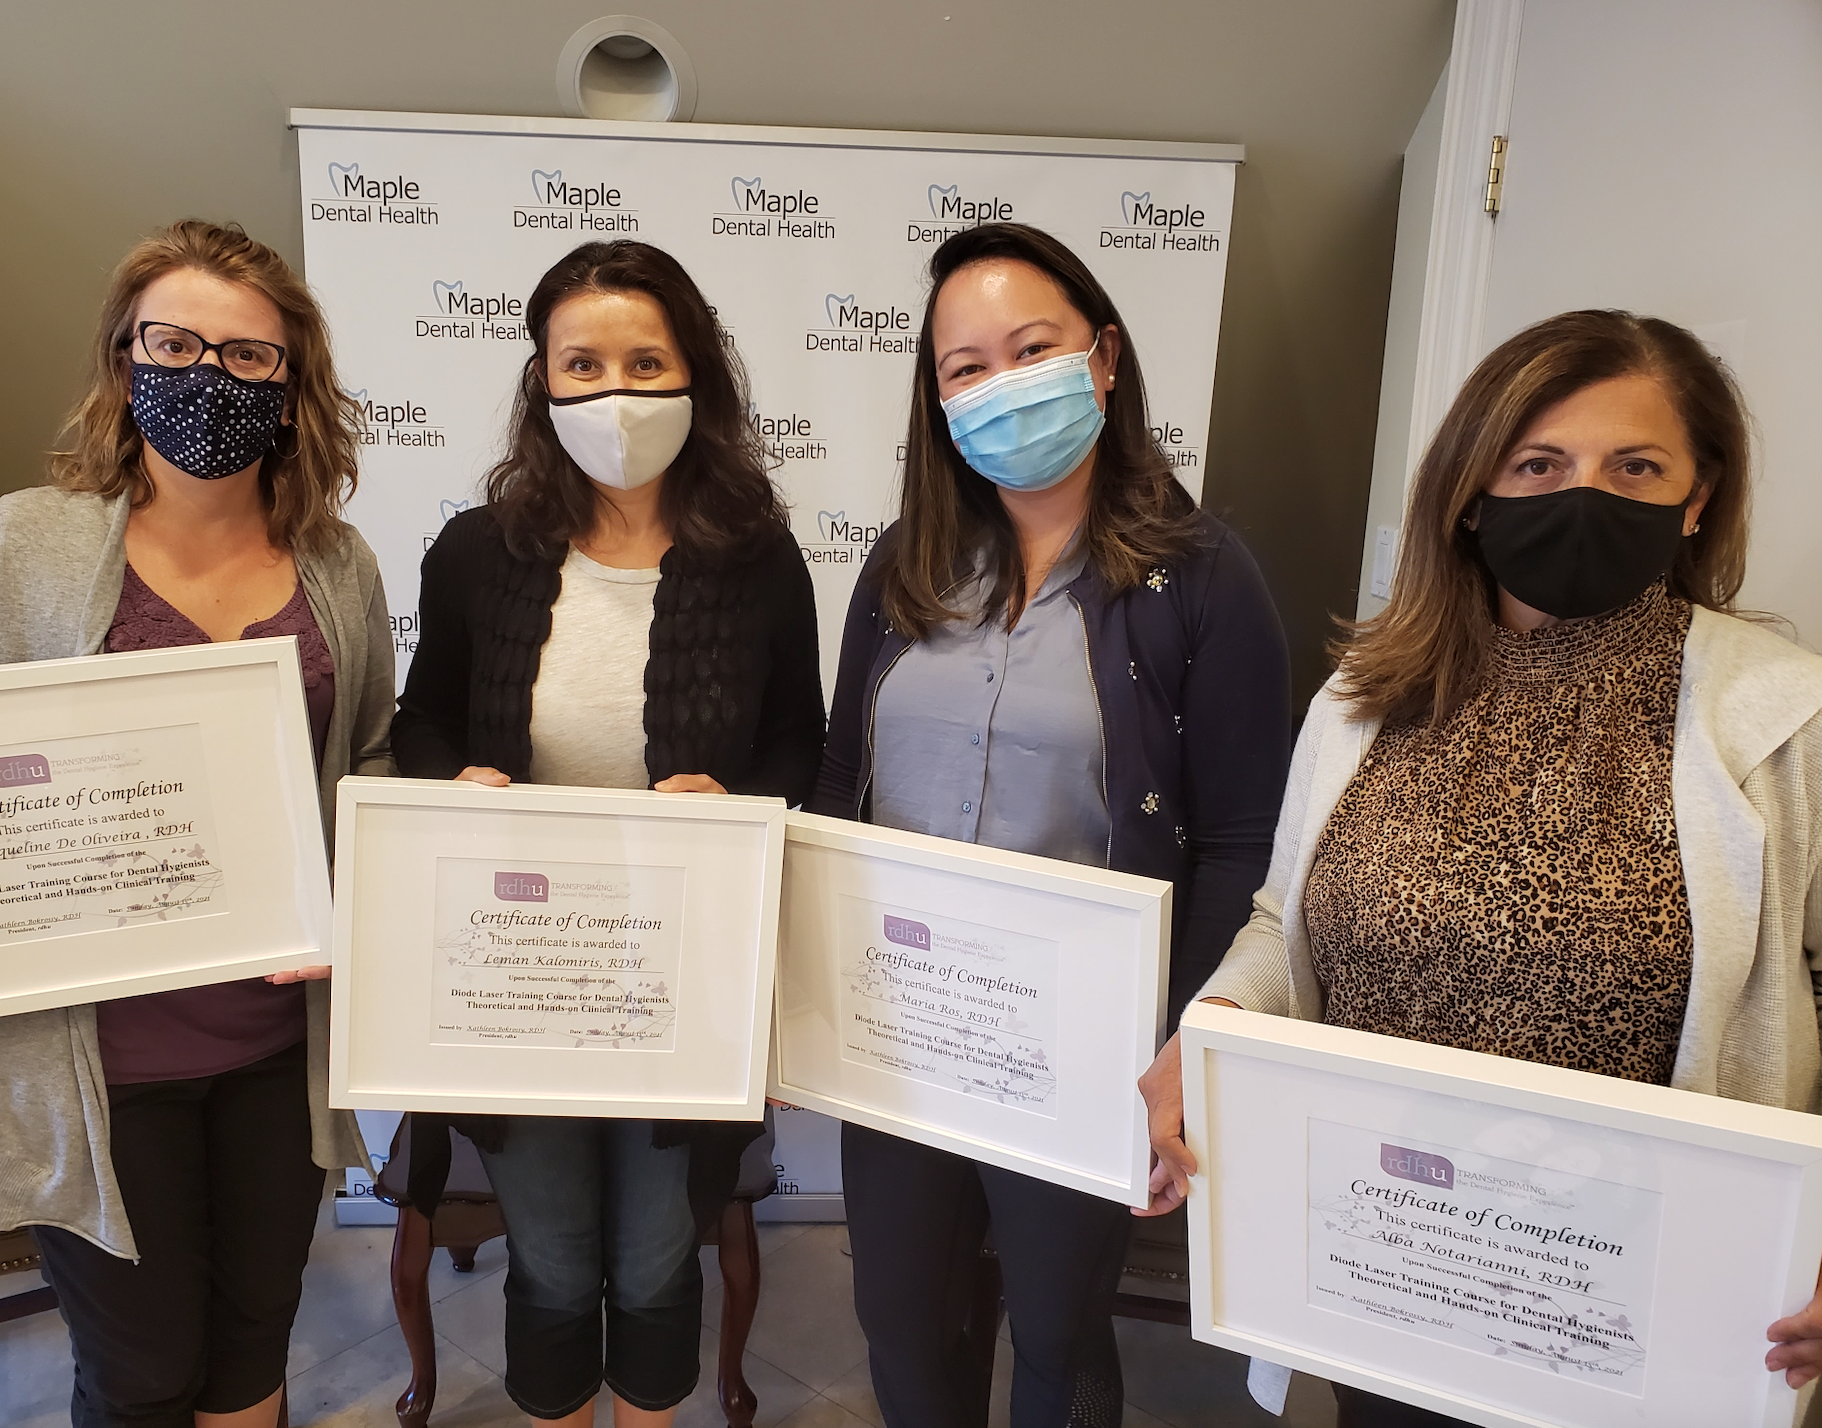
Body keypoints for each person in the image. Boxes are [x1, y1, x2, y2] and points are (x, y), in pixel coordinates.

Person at [1137, 309, 1822, 1424]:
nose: (1581, 495)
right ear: (1471, 490)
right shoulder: (1367, 698)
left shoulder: (1785, 719)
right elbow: (1284, 925)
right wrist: (1205, 1030)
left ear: (1698, 499)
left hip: (1637, 1308)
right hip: (1398, 1262)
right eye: (1538, 463)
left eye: (1635, 466)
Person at [0, 219, 392, 1427]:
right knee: (141, 1373)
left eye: (247, 356)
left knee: (248, 1354)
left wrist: (360, 884)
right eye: (174, 344)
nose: (206, 377)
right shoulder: (21, 543)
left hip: (279, 1049)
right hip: (95, 1065)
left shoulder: (338, 562)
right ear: (126, 360)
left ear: (292, 385)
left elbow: (366, 753)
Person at [809, 221, 1292, 1428]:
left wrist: (1185, 1048)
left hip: (1084, 1050)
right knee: (906, 1323)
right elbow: (839, 785)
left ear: (1106, 359)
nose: (1000, 383)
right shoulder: (897, 569)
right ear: (937, 396)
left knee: (1060, 1333)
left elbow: (1242, 840)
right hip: (901, 1032)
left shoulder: (1207, 578)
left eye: (1034, 348)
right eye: (967, 367)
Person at [390, 239, 822, 1426]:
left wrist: (741, 810)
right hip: (519, 972)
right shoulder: (478, 553)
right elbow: (418, 722)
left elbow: (802, 748)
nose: (614, 390)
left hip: (684, 984)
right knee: (554, 1257)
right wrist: (458, 780)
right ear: (543, 382)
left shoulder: (760, 560)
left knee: (652, 1260)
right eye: (582, 363)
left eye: (646, 360)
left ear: (698, 376)